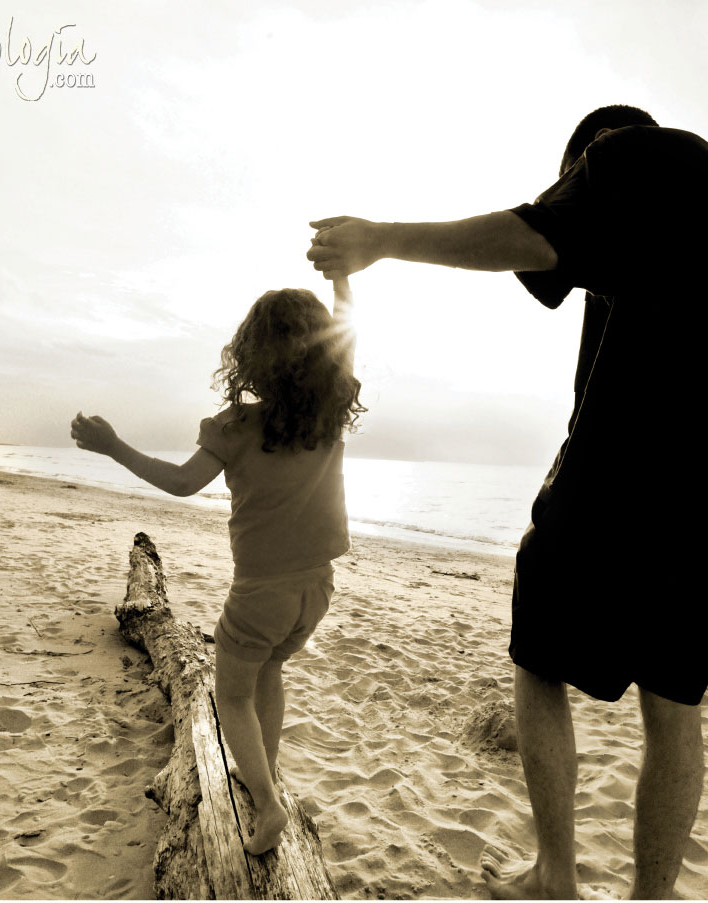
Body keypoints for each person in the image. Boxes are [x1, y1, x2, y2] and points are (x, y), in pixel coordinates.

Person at [306, 104, 707, 899]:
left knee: (538, 658)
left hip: (621, 473)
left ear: (583, 162)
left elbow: (530, 237)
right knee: (675, 705)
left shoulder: (629, 159)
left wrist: (379, 238)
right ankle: (654, 896)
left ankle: (556, 875)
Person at [70, 280, 363, 855]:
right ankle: (265, 773)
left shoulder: (235, 428)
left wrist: (114, 447)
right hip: (318, 587)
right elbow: (346, 340)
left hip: (260, 593)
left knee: (231, 695)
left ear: (251, 354)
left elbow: (181, 483)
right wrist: (343, 278)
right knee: (270, 670)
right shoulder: (328, 415)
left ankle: (268, 802)